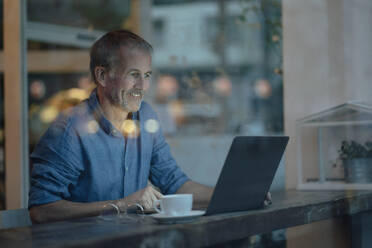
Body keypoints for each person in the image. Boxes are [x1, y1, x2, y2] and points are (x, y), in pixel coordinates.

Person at [28, 30, 214, 223]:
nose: (142, 86)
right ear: (102, 76)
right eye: (134, 74)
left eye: (147, 75)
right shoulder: (70, 131)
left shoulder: (146, 117)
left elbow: (175, 184)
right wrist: (122, 205)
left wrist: (239, 195)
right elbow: (41, 210)